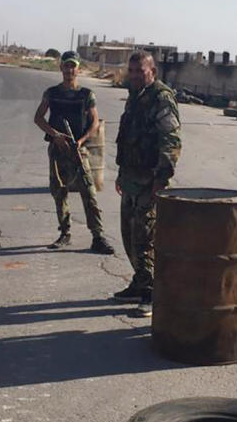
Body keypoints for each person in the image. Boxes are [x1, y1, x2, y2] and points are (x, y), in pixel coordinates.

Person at [113, 51, 181, 316]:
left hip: (150, 181)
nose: (134, 76)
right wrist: (121, 173)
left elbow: (171, 141)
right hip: (130, 178)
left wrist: (162, 179)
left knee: (147, 238)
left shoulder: (161, 98)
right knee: (129, 236)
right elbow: (127, 138)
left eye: (139, 71)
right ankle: (140, 281)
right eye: (131, 71)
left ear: (152, 71)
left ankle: (154, 292)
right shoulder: (135, 96)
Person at [33, 51, 115, 254]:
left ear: (78, 69)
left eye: (73, 66)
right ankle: (65, 232)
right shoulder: (51, 93)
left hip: (80, 151)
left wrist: (82, 140)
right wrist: (55, 135)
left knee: (89, 193)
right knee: (59, 192)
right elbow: (39, 118)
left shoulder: (86, 95)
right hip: (58, 150)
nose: (69, 70)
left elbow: (95, 121)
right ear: (61, 68)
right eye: (66, 66)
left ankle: (98, 236)